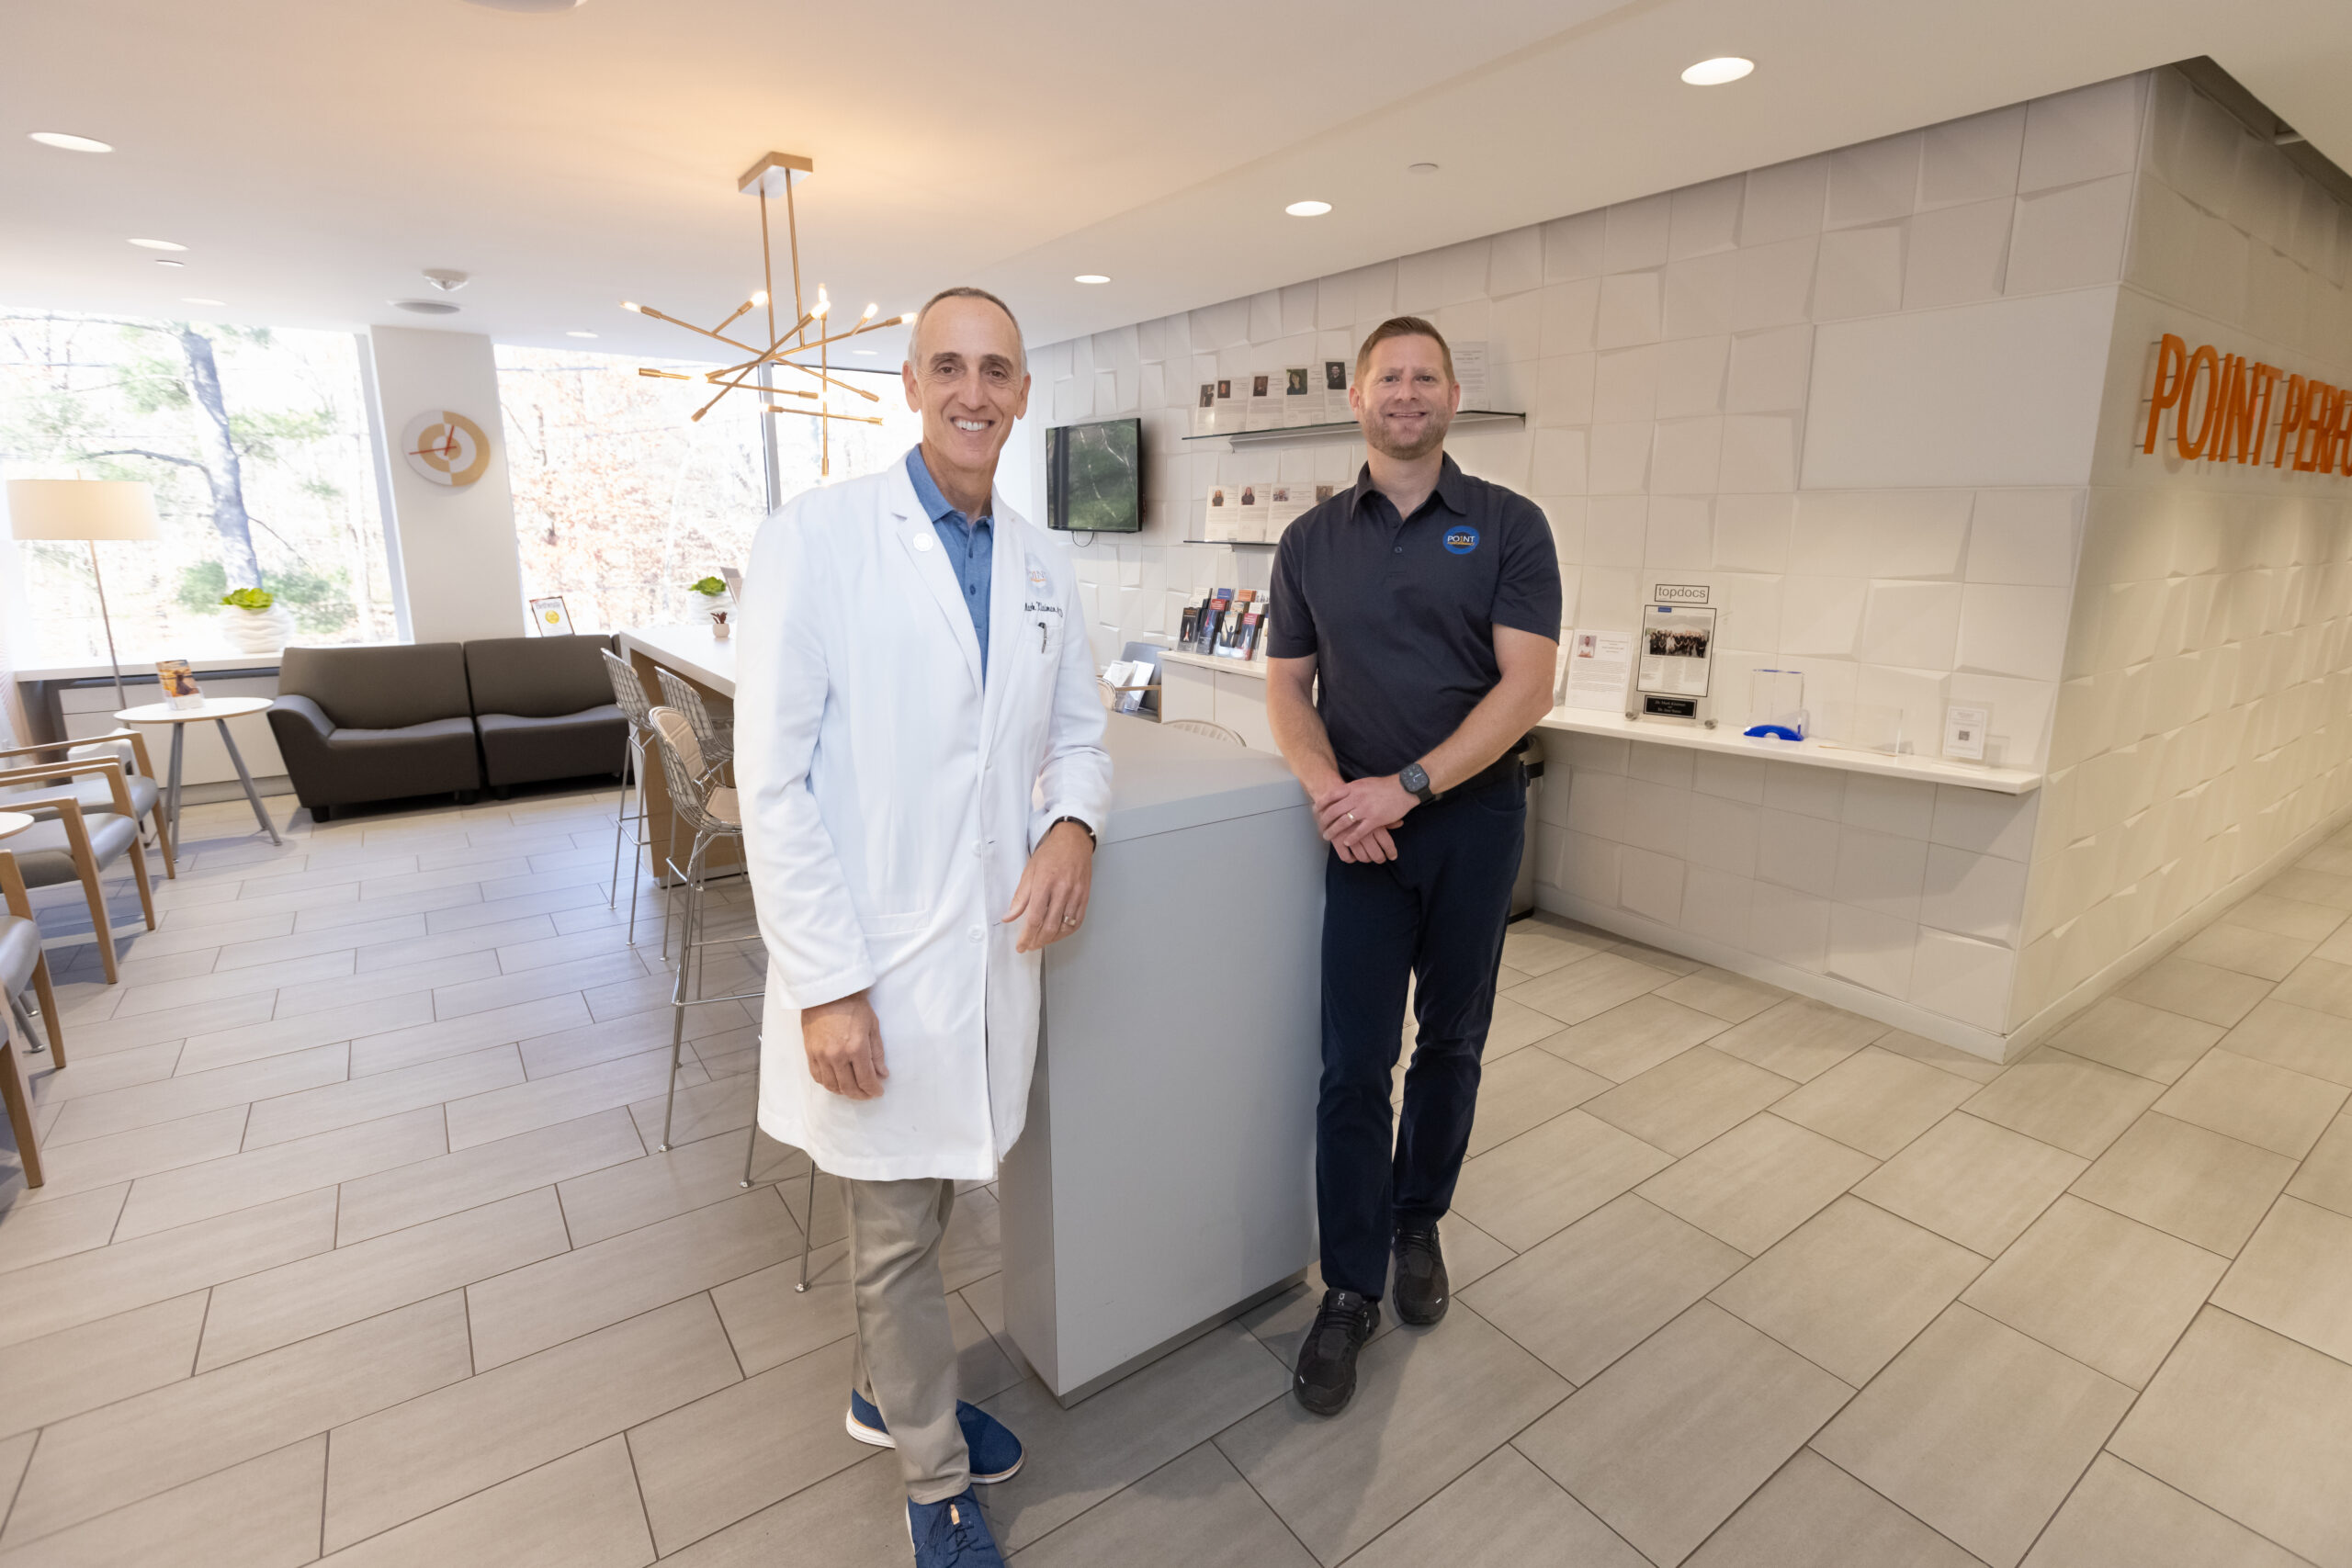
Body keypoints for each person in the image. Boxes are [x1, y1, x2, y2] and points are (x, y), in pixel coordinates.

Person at [735, 286, 1113, 1566]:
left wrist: (1074, 825)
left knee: (940, 1191)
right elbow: (770, 781)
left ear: (1021, 391)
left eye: (996, 369)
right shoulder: (820, 537)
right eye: (947, 365)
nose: (974, 390)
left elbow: (1077, 736)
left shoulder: (1047, 559)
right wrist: (827, 983)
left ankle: (883, 1389)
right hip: (875, 959)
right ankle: (933, 1479)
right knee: (895, 1227)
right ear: (907, 382)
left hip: (986, 954)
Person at [1263, 315, 1561, 1416]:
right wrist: (1328, 794)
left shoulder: (1508, 526)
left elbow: (1525, 688)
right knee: (1350, 1065)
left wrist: (1409, 786)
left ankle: (1415, 1222)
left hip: (1471, 824)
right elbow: (1289, 689)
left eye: (1424, 376)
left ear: (1450, 399)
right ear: (1356, 396)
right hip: (1359, 836)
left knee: (1452, 1040)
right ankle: (1348, 1290)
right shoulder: (1308, 541)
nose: (1406, 392)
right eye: (1387, 376)